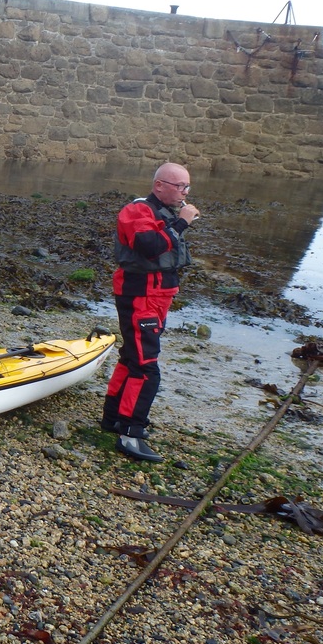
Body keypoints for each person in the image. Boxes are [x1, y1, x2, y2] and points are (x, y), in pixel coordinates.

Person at [102, 162, 200, 462]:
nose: (184, 192)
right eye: (179, 186)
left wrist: (178, 221)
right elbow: (149, 246)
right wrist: (182, 223)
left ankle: (114, 418)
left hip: (157, 297)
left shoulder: (165, 213)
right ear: (160, 185)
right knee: (147, 367)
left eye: (187, 187)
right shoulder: (138, 211)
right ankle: (131, 434)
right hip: (140, 296)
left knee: (132, 358)